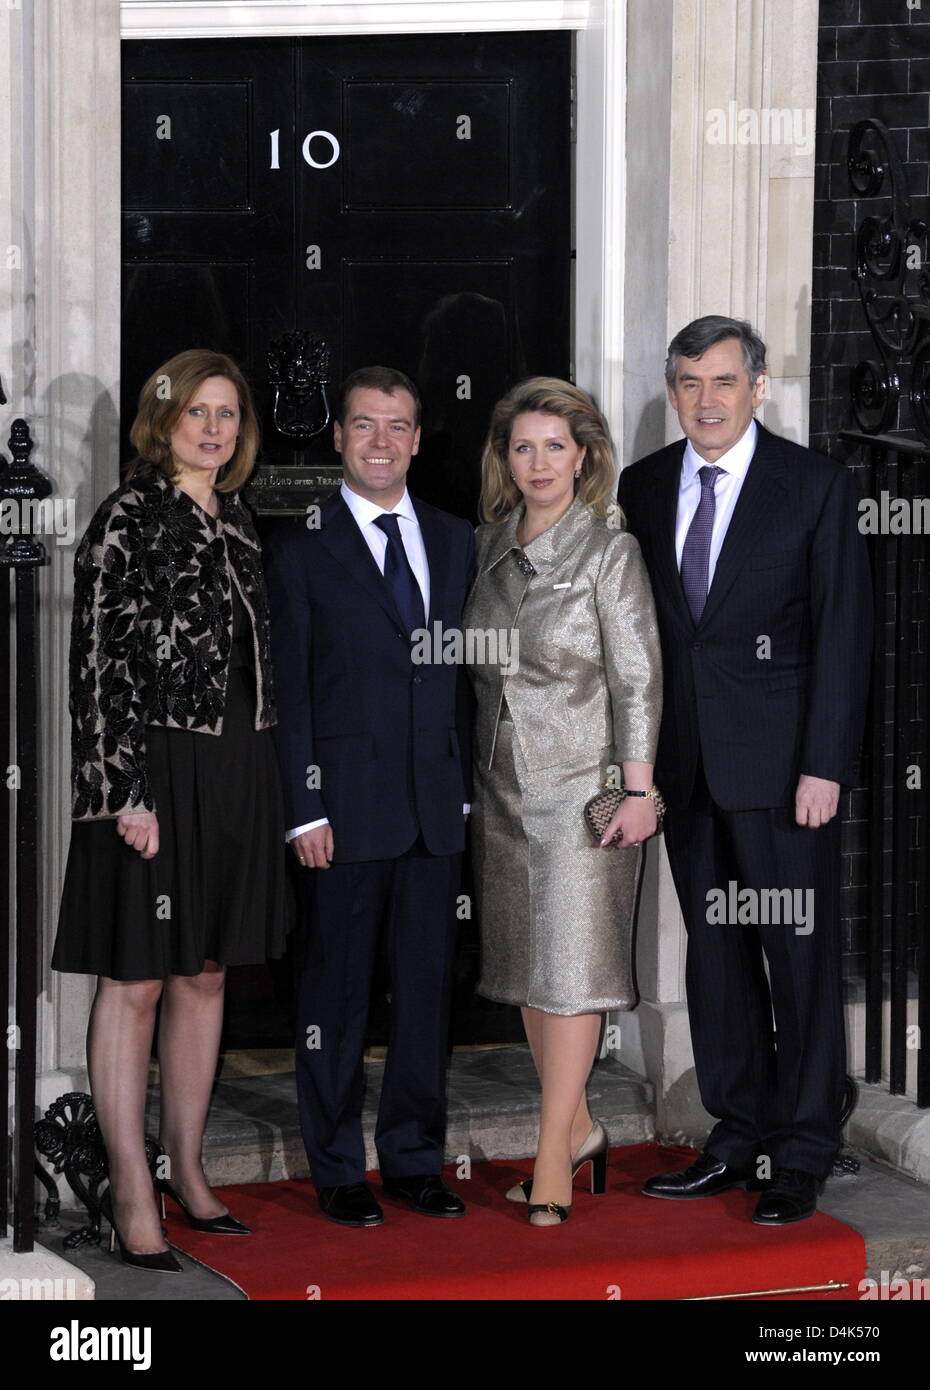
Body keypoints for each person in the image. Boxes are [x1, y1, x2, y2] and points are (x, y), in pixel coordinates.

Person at [617, 316, 872, 1224]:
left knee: (798, 963)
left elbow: (844, 633)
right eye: (689, 382)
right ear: (673, 389)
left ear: (758, 388)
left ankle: (803, 1146)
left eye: (724, 382)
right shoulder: (642, 487)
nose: (706, 400)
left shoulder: (813, 485)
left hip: (784, 777)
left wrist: (824, 766)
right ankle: (738, 1134)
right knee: (717, 961)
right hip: (687, 776)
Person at [52, 349, 287, 1270]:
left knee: (206, 974)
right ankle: (128, 1187)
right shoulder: (127, 517)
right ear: (167, 419)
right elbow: (96, 669)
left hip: (235, 771)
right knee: (138, 978)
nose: (214, 428)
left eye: (228, 413)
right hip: (149, 773)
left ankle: (187, 1169)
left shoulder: (240, 520)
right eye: (198, 411)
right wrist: (121, 797)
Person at [262, 365, 474, 1228]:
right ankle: (339, 1168)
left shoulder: (458, 539)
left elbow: (467, 679)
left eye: (397, 427)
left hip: (435, 809)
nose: (380, 442)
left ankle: (417, 1159)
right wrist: (303, 807)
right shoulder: (301, 546)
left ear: (418, 439)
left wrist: (464, 790)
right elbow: (290, 691)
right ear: (339, 438)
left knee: (427, 994)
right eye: (363, 426)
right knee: (337, 995)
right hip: (340, 810)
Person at [464, 377, 663, 1226]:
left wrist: (639, 791)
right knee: (528, 977)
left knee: (572, 978)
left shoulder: (608, 551)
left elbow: (640, 677)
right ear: (504, 460)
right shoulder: (489, 546)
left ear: (583, 457)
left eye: (555, 446)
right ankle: (577, 1126)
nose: (539, 462)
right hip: (503, 795)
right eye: (523, 446)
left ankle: (552, 1157)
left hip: (585, 799)